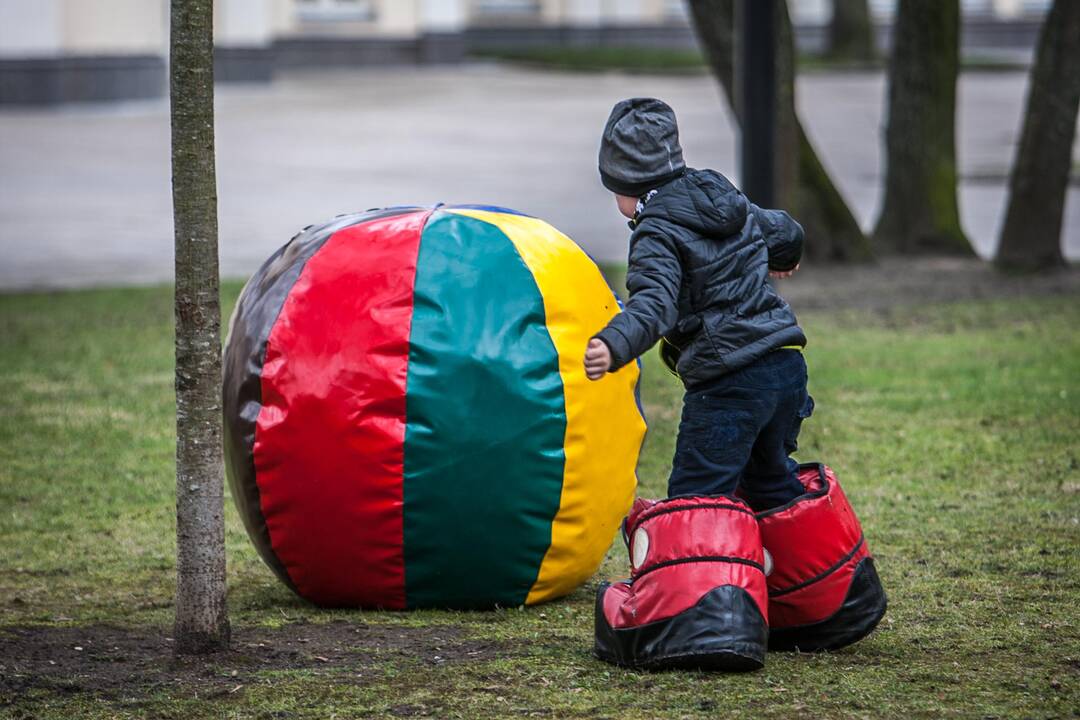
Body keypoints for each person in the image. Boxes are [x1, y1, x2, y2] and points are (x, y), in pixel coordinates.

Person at [583, 97, 811, 512]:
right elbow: (780, 228)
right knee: (771, 486)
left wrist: (613, 343)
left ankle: (702, 579)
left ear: (623, 186)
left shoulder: (654, 232)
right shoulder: (714, 191)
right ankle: (829, 574)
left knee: (696, 500)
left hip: (729, 384)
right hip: (784, 366)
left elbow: (654, 305)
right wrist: (785, 254)